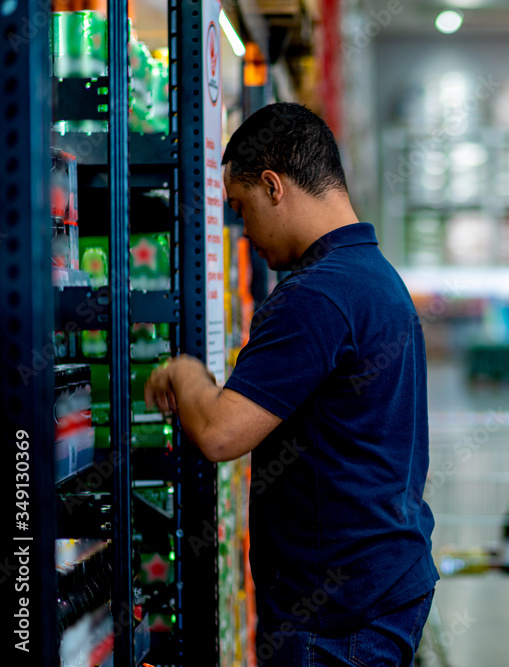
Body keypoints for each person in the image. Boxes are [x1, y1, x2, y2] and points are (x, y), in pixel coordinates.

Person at [145, 102, 438, 666]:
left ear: (274, 186)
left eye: (242, 207)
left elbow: (222, 434)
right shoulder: (373, 276)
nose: (245, 231)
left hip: (337, 617)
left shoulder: (316, 296)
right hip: (382, 587)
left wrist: (186, 375)